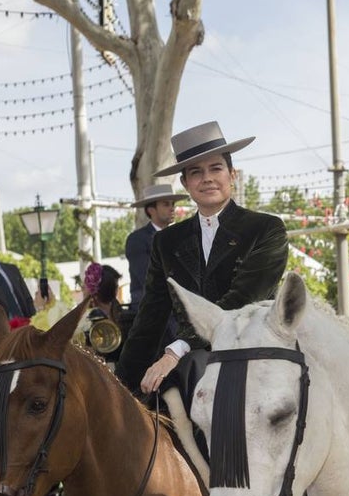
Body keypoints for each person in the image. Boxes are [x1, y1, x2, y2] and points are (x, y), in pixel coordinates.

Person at [115, 121, 289, 399]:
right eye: (196, 172)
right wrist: (118, 384)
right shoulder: (167, 242)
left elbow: (240, 301)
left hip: (252, 352)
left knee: (193, 370)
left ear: (232, 175)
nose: (207, 178)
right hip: (189, 365)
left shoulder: (266, 230)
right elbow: (150, 317)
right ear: (185, 183)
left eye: (216, 168)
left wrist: (176, 351)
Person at [125, 183, 187, 317]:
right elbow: (149, 278)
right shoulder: (137, 240)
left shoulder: (179, 238)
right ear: (151, 210)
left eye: (172, 204)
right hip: (150, 313)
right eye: (166, 204)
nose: (172, 209)